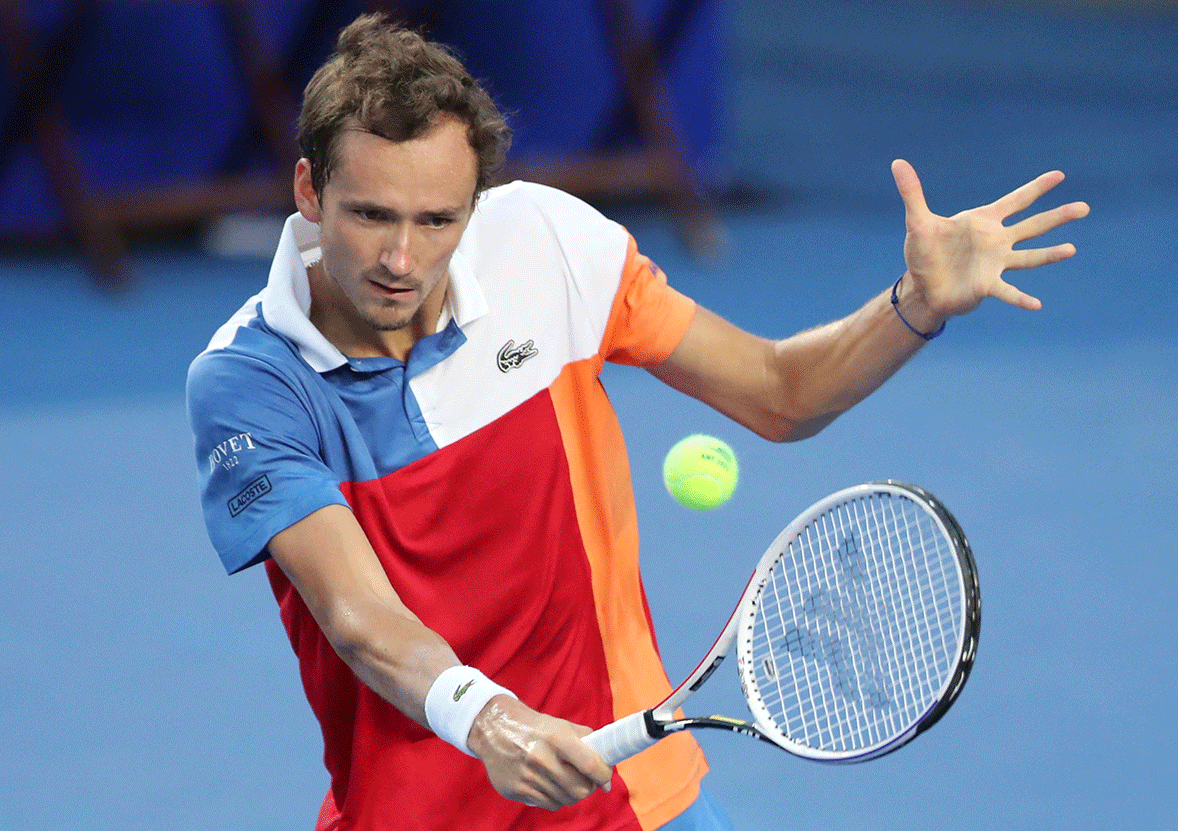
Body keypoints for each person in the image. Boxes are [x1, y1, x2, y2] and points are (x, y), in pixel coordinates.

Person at [186, 12, 1088, 831]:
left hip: (639, 806)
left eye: (437, 221)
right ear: (308, 189)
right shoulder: (246, 381)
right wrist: (489, 718)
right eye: (371, 215)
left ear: (478, 205)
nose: (400, 257)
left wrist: (915, 305)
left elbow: (777, 389)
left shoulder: (546, 243)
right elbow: (356, 615)